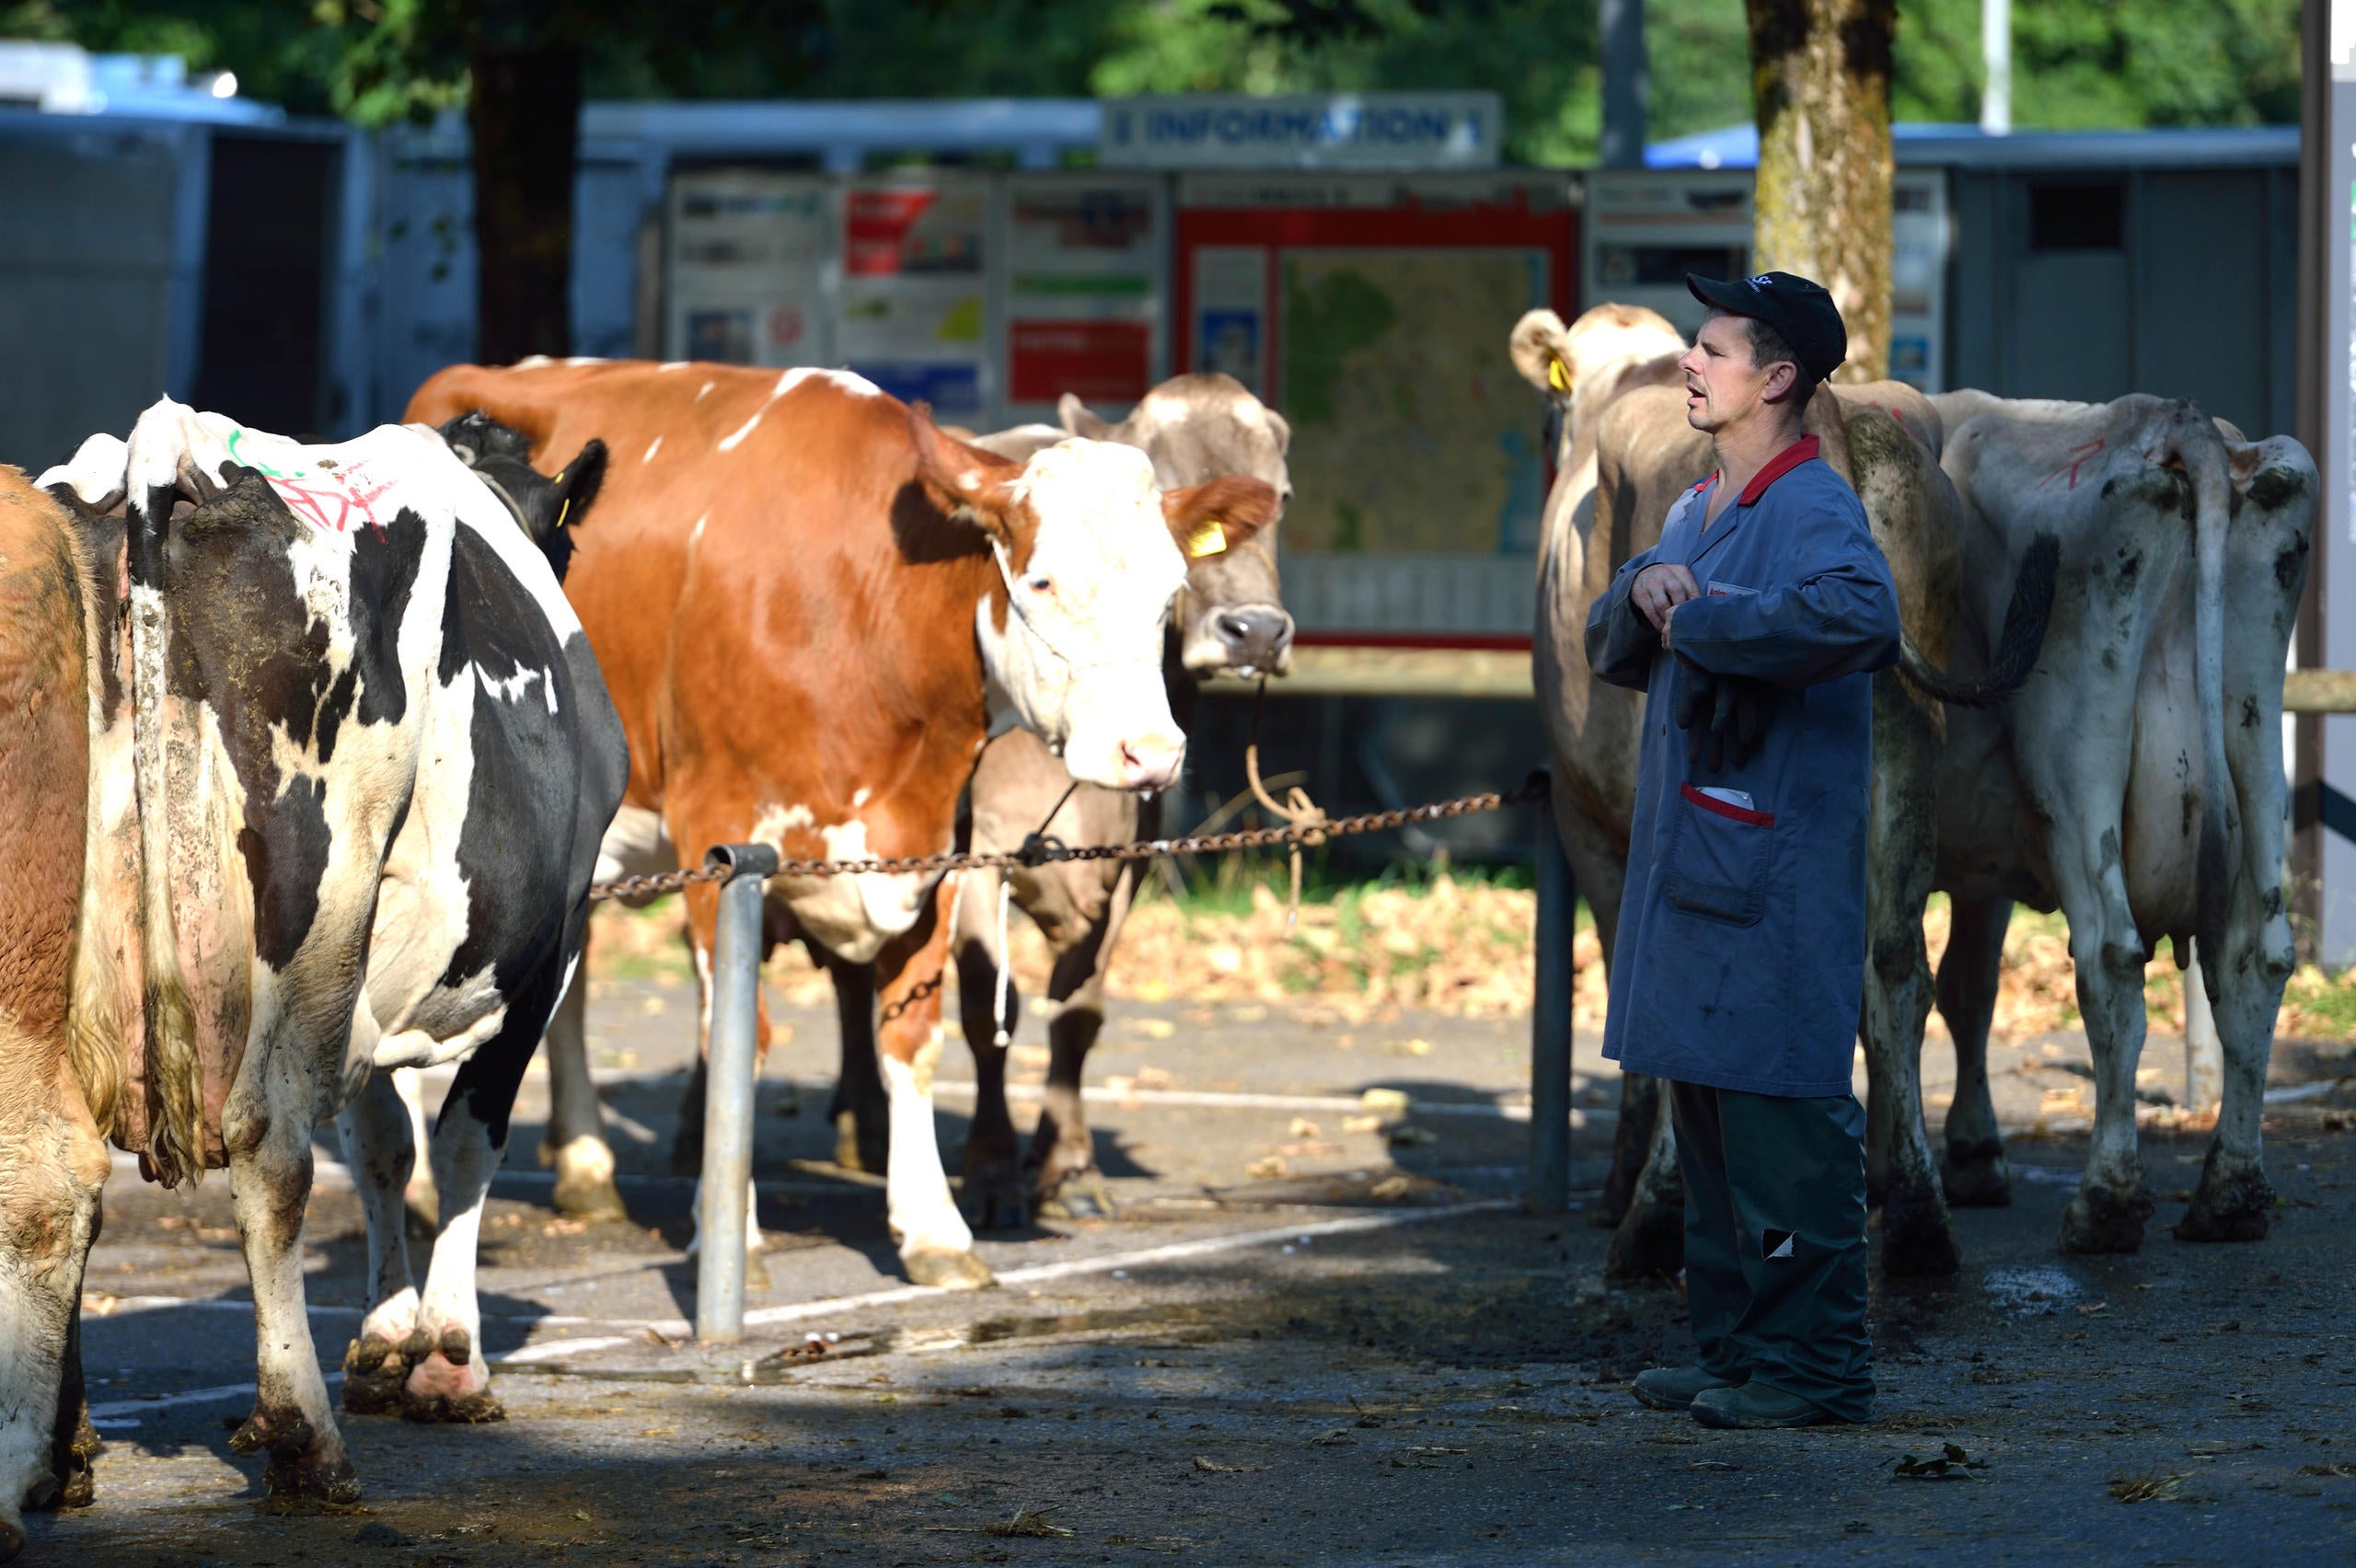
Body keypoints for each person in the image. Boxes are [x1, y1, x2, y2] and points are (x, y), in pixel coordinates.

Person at [1584, 271, 1900, 1429]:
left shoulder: (1812, 507)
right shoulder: (1694, 509)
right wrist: (1644, 582)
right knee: (1712, 1128)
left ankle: (1815, 1373)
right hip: (1703, 876)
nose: (1690, 363)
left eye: (1713, 350)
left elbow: (1866, 618)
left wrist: (1700, 613)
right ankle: (1733, 1355)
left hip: (1773, 880)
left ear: (1776, 380)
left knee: (1785, 1128)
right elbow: (1617, 641)